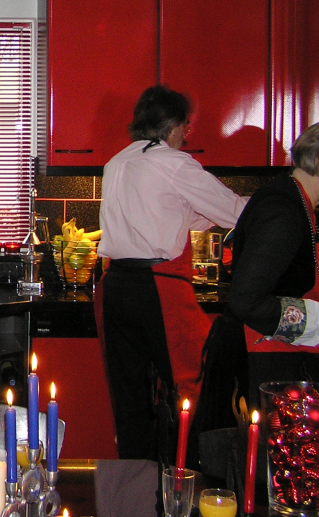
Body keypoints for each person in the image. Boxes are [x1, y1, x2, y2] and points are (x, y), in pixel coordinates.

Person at [96, 85, 248, 461]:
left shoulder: (116, 162)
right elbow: (236, 211)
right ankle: (187, 473)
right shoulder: (175, 163)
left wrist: (208, 213)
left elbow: (176, 216)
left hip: (113, 287)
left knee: (128, 397)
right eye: (186, 126)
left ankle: (136, 482)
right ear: (173, 125)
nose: (187, 135)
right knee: (192, 384)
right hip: (157, 286)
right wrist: (283, 203)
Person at [227, 122, 319, 404]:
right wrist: (315, 320)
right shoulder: (283, 211)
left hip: (280, 354)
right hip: (271, 360)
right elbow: (246, 300)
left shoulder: (293, 199)